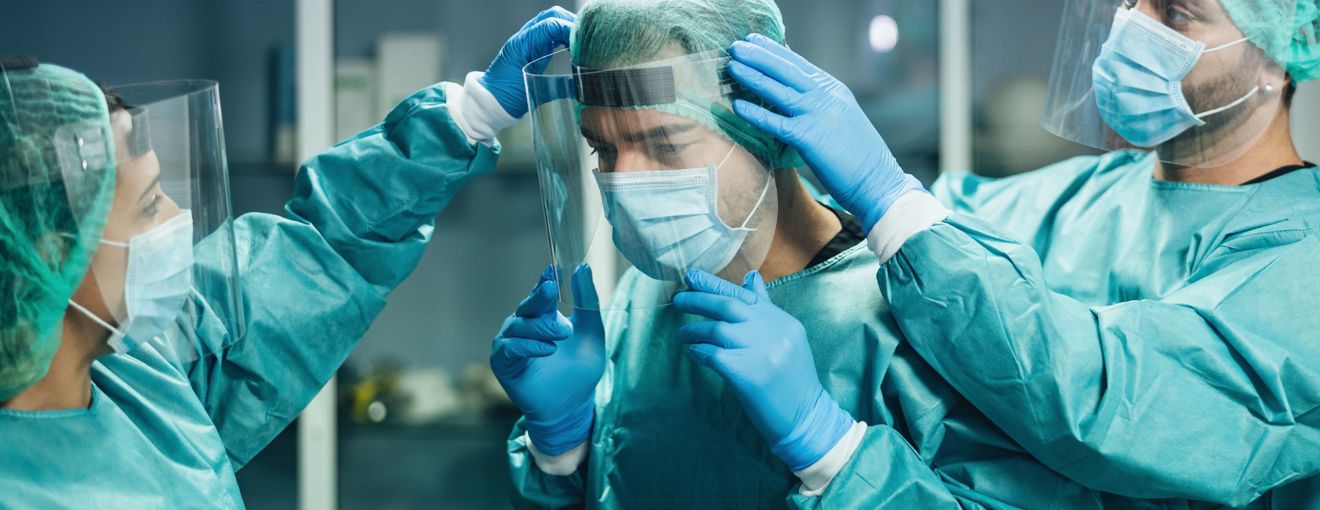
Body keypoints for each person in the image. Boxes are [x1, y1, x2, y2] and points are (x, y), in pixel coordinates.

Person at [488, 0, 1313, 508]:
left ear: (1286, 44)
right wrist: (565, 443)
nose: (1129, 26)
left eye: (1176, 11)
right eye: (603, 152)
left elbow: (1107, 402)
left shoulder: (1298, 265)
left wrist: (828, 447)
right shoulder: (1040, 206)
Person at [0, 8, 571, 507]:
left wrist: (468, 116)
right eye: (150, 204)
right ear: (53, 256)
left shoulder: (142, 371)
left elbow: (319, 253)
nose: (179, 219)